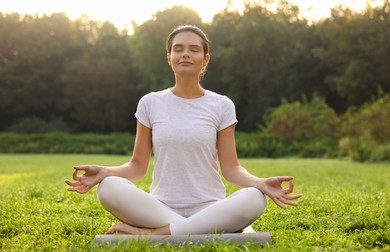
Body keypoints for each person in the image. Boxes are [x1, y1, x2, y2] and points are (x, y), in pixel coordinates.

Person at [65, 24, 302, 236]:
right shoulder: (150, 103)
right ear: (169, 57)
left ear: (205, 59)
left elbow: (231, 168)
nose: (185, 54)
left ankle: (156, 234)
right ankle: (201, 229)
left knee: (254, 198)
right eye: (178, 49)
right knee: (108, 188)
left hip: (210, 206)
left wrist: (259, 183)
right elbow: (137, 167)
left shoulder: (221, 105)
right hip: (160, 208)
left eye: (193, 49)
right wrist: (104, 172)